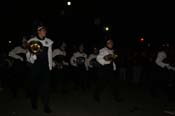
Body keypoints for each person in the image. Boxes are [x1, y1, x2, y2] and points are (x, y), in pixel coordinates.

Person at [26, 25, 53, 113]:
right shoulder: (32, 41)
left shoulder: (48, 41)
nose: (45, 31)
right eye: (43, 30)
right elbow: (28, 56)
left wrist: (50, 65)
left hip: (45, 67)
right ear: (38, 31)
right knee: (35, 87)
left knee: (46, 87)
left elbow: (49, 54)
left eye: (45, 30)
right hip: (36, 67)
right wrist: (33, 57)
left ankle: (46, 106)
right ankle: (34, 102)